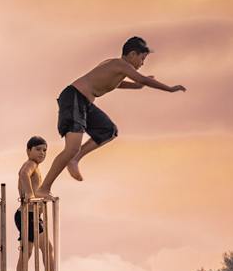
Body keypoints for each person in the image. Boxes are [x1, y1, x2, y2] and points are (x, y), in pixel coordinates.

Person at [42, 36, 186, 195]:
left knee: (108, 130)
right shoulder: (120, 64)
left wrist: (136, 87)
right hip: (75, 98)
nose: (143, 64)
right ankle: (44, 188)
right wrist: (170, 89)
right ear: (132, 54)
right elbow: (142, 78)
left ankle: (75, 159)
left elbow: (115, 83)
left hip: (85, 103)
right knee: (71, 147)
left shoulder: (117, 68)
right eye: (142, 59)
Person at [14, 136, 54, 271]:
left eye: (44, 150)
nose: (42, 153)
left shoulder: (36, 167)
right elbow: (23, 173)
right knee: (47, 249)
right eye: (38, 149)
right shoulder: (30, 164)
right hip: (28, 215)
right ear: (28, 150)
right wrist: (30, 195)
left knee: (26, 253)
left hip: (29, 215)